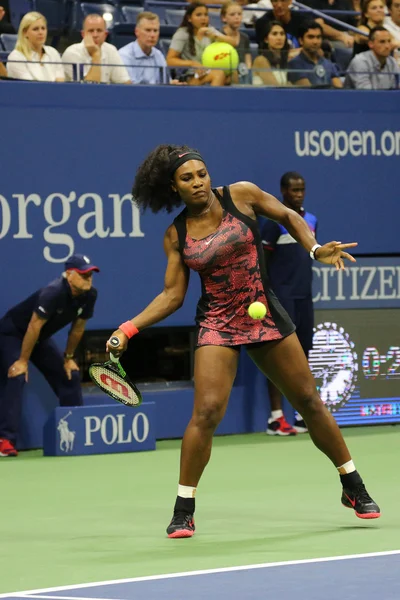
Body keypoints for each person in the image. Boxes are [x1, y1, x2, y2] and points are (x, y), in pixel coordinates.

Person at [105, 144, 380, 538]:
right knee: (207, 412)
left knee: (307, 400)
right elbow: (171, 296)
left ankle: (352, 485)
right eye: (187, 178)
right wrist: (127, 328)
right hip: (218, 322)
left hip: (264, 311)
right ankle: (184, 509)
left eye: (201, 173)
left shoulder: (242, 195)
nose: (198, 182)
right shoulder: (176, 234)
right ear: (173, 186)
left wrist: (315, 248)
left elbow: (286, 215)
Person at [0, 254, 99, 457]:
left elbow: (78, 329)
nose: (88, 279)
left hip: (38, 338)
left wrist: (69, 357)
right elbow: (34, 326)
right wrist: (22, 361)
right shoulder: (53, 292)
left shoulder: (90, 295)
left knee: (69, 376)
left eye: (90, 274)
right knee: (17, 375)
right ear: (69, 275)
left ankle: (76, 433)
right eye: (83, 275)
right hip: (12, 333)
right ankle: (5, 439)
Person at [259, 172, 315, 436]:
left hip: (304, 297)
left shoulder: (311, 220)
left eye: (302, 189)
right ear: (283, 191)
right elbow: (263, 264)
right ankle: (276, 418)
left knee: (304, 355)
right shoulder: (273, 222)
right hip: (281, 298)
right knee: (281, 360)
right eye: (294, 190)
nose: (299, 194)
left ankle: (301, 415)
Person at [166, 3, 226, 86]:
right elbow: (170, 60)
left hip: (208, 71)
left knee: (232, 74)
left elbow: (233, 42)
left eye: (206, 15)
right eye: (199, 15)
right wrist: (192, 63)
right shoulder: (182, 33)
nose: (203, 18)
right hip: (189, 76)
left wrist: (216, 36)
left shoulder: (210, 31)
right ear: (189, 18)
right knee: (218, 74)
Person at [62, 14, 131, 84]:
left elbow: (125, 82)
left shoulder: (111, 50)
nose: (95, 35)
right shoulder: (72, 53)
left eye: (99, 30)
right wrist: (96, 55)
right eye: (91, 31)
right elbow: (85, 90)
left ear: (105, 35)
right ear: (83, 34)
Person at [119, 12, 179, 84]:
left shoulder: (158, 55)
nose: (152, 35)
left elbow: (165, 84)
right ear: (137, 31)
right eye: (148, 30)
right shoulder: (124, 55)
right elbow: (129, 88)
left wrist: (172, 84)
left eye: (155, 30)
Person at [6, 12, 64, 81]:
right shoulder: (16, 57)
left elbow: (60, 82)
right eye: (35, 29)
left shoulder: (53, 52)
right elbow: (30, 87)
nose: (41, 32)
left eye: (43, 28)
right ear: (25, 32)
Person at [287, 21, 343, 87]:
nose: (315, 42)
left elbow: (339, 89)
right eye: (311, 37)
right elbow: (308, 91)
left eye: (318, 37)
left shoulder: (328, 63)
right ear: (301, 40)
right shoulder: (294, 64)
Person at [252, 21, 295, 85]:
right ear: (266, 39)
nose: (279, 38)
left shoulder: (283, 60)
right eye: (274, 34)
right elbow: (274, 88)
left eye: (282, 34)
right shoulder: (261, 60)